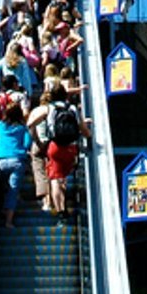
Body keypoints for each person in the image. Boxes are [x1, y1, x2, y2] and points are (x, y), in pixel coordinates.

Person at [41, 82, 91, 217]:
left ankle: (60, 210)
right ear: (65, 95)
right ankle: (65, 198)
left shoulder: (49, 108)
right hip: (71, 147)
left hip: (55, 146)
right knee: (64, 175)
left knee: (55, 178)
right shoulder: (73, 108)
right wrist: (89, 138)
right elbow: (82, 127)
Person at [0, 103, 32, 227]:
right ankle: (8, 222)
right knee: (13, 191)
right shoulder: (22, 128)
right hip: (17, 161)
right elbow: (27, 143)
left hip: (1, 161)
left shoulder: (0, 126)